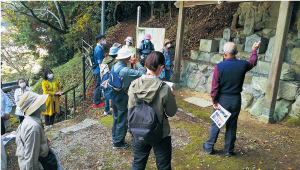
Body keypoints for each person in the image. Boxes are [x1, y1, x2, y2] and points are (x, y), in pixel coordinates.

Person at [202, 41, 261, 157]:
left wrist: (214, 101)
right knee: (232, 125)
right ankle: (229, 150)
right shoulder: (243, 64)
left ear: (224, 54)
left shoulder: (219, 67)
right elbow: (253, 62)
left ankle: (209, 146)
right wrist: (254, 50)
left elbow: (214, 87)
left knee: (216, 124)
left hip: (223, 100)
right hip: (236, 100)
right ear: (237, 52)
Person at [128, 51, 178, 170]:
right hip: (159, 133)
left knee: (138, 164)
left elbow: (130, 109)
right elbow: (171, 112)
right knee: (164, 166)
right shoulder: (164, 88)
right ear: (161, 67)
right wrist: (171, 95)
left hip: (138, 130)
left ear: (146, 65)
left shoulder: (133, 85)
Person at [15, 91, 62, 170]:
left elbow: (25, 142)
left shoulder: (27, 122)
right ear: (35, 106)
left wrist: (43, 141)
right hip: (41, 164)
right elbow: (31, 158)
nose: (43, 102)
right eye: (40, 101)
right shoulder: (34, 127)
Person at [111, 48, 146, 149]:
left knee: (116, 118)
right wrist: (138, 63)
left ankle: (115, 138)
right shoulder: (126, 71)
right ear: (126, 58)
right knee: (122, 120)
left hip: (114, 96)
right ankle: (118, 143)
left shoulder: (114, 66)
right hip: (122, 97)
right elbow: (143, 73)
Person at [101, 46, 119, 115]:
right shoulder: (114, 61)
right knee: (113, 94)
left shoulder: (105, 59)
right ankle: (113, 109)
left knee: (106, 94)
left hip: (103, 79)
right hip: (110, 80)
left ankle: (106, 110)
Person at [93, 34, 106, 107]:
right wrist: (102, 72)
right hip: (98, 70)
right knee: (98, 86)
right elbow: (100, 62)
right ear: (99, 40)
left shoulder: (98, 48)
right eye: (103, 39)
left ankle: (96, 98)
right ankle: (96, 102)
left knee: (97, 85)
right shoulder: (99, 49)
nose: (104, 40)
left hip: (96, 69)